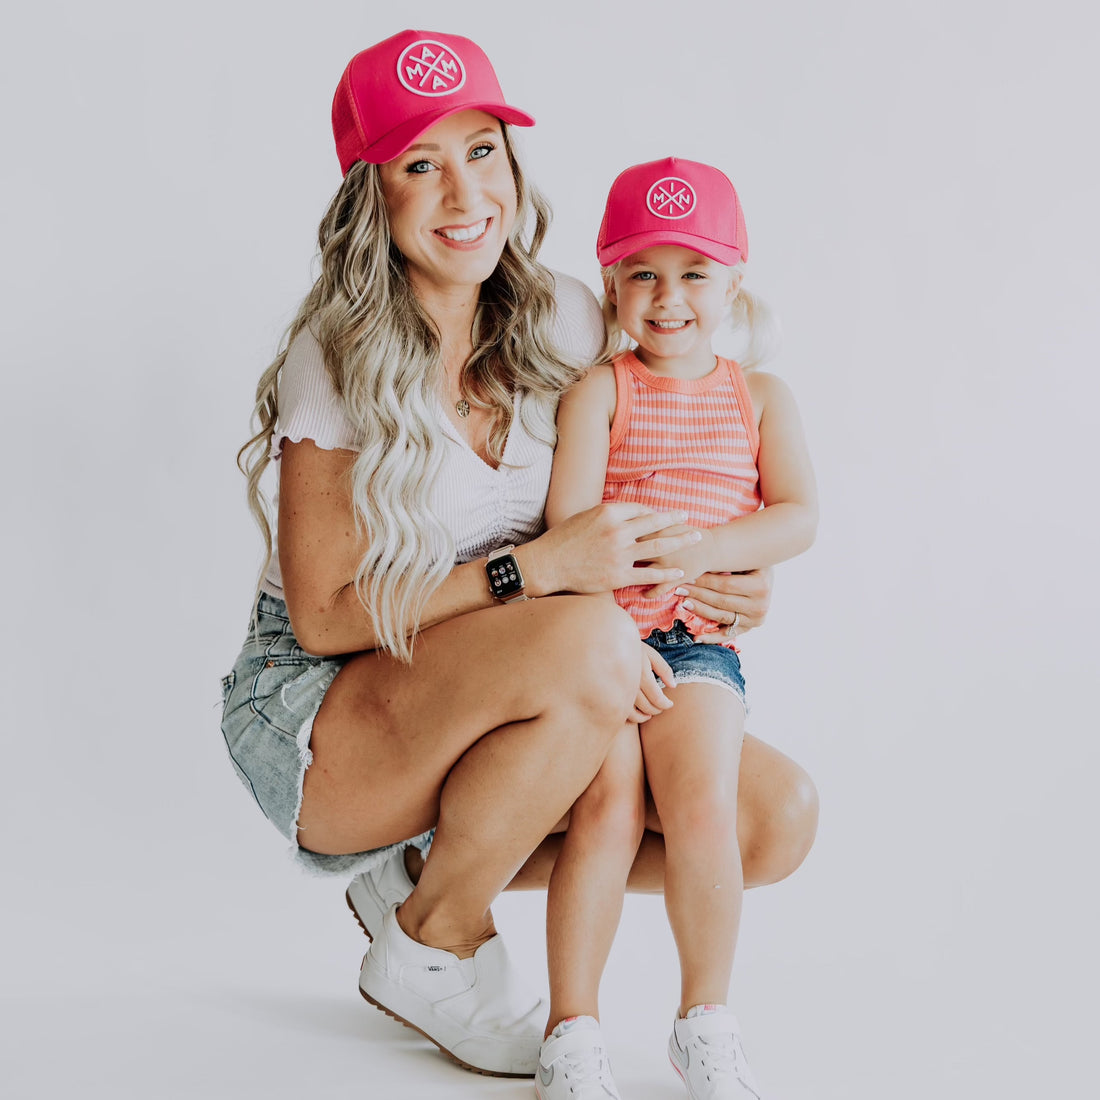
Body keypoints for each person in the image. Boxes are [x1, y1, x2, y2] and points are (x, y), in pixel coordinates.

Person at [219, 29, 817, 1083]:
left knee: (766, 819)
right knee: (586, 638)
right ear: (372, 196)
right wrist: (532, 573)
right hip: (323, 707)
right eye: (419, 164)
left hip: (522, 668)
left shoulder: (565, 316)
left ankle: (419, 865)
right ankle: (434, 934)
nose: (462, 192)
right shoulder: (338, 351)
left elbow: (667, 471)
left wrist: (724, 564)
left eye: (481, 150)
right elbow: (321, 614)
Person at [532, 158, 818, 1100]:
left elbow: (796, 515)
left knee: (702, 807)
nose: (668, 297)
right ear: (610, 283)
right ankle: (572, 1030)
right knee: (605, 815)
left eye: (693, 272)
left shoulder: (760, 396)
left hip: (695, 641)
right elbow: (570, 527)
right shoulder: (601, 391)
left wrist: (702, 553)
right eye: (643, 272)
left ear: (734, 281)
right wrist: (607, 639)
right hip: (603, 646)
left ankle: (706, 1021)